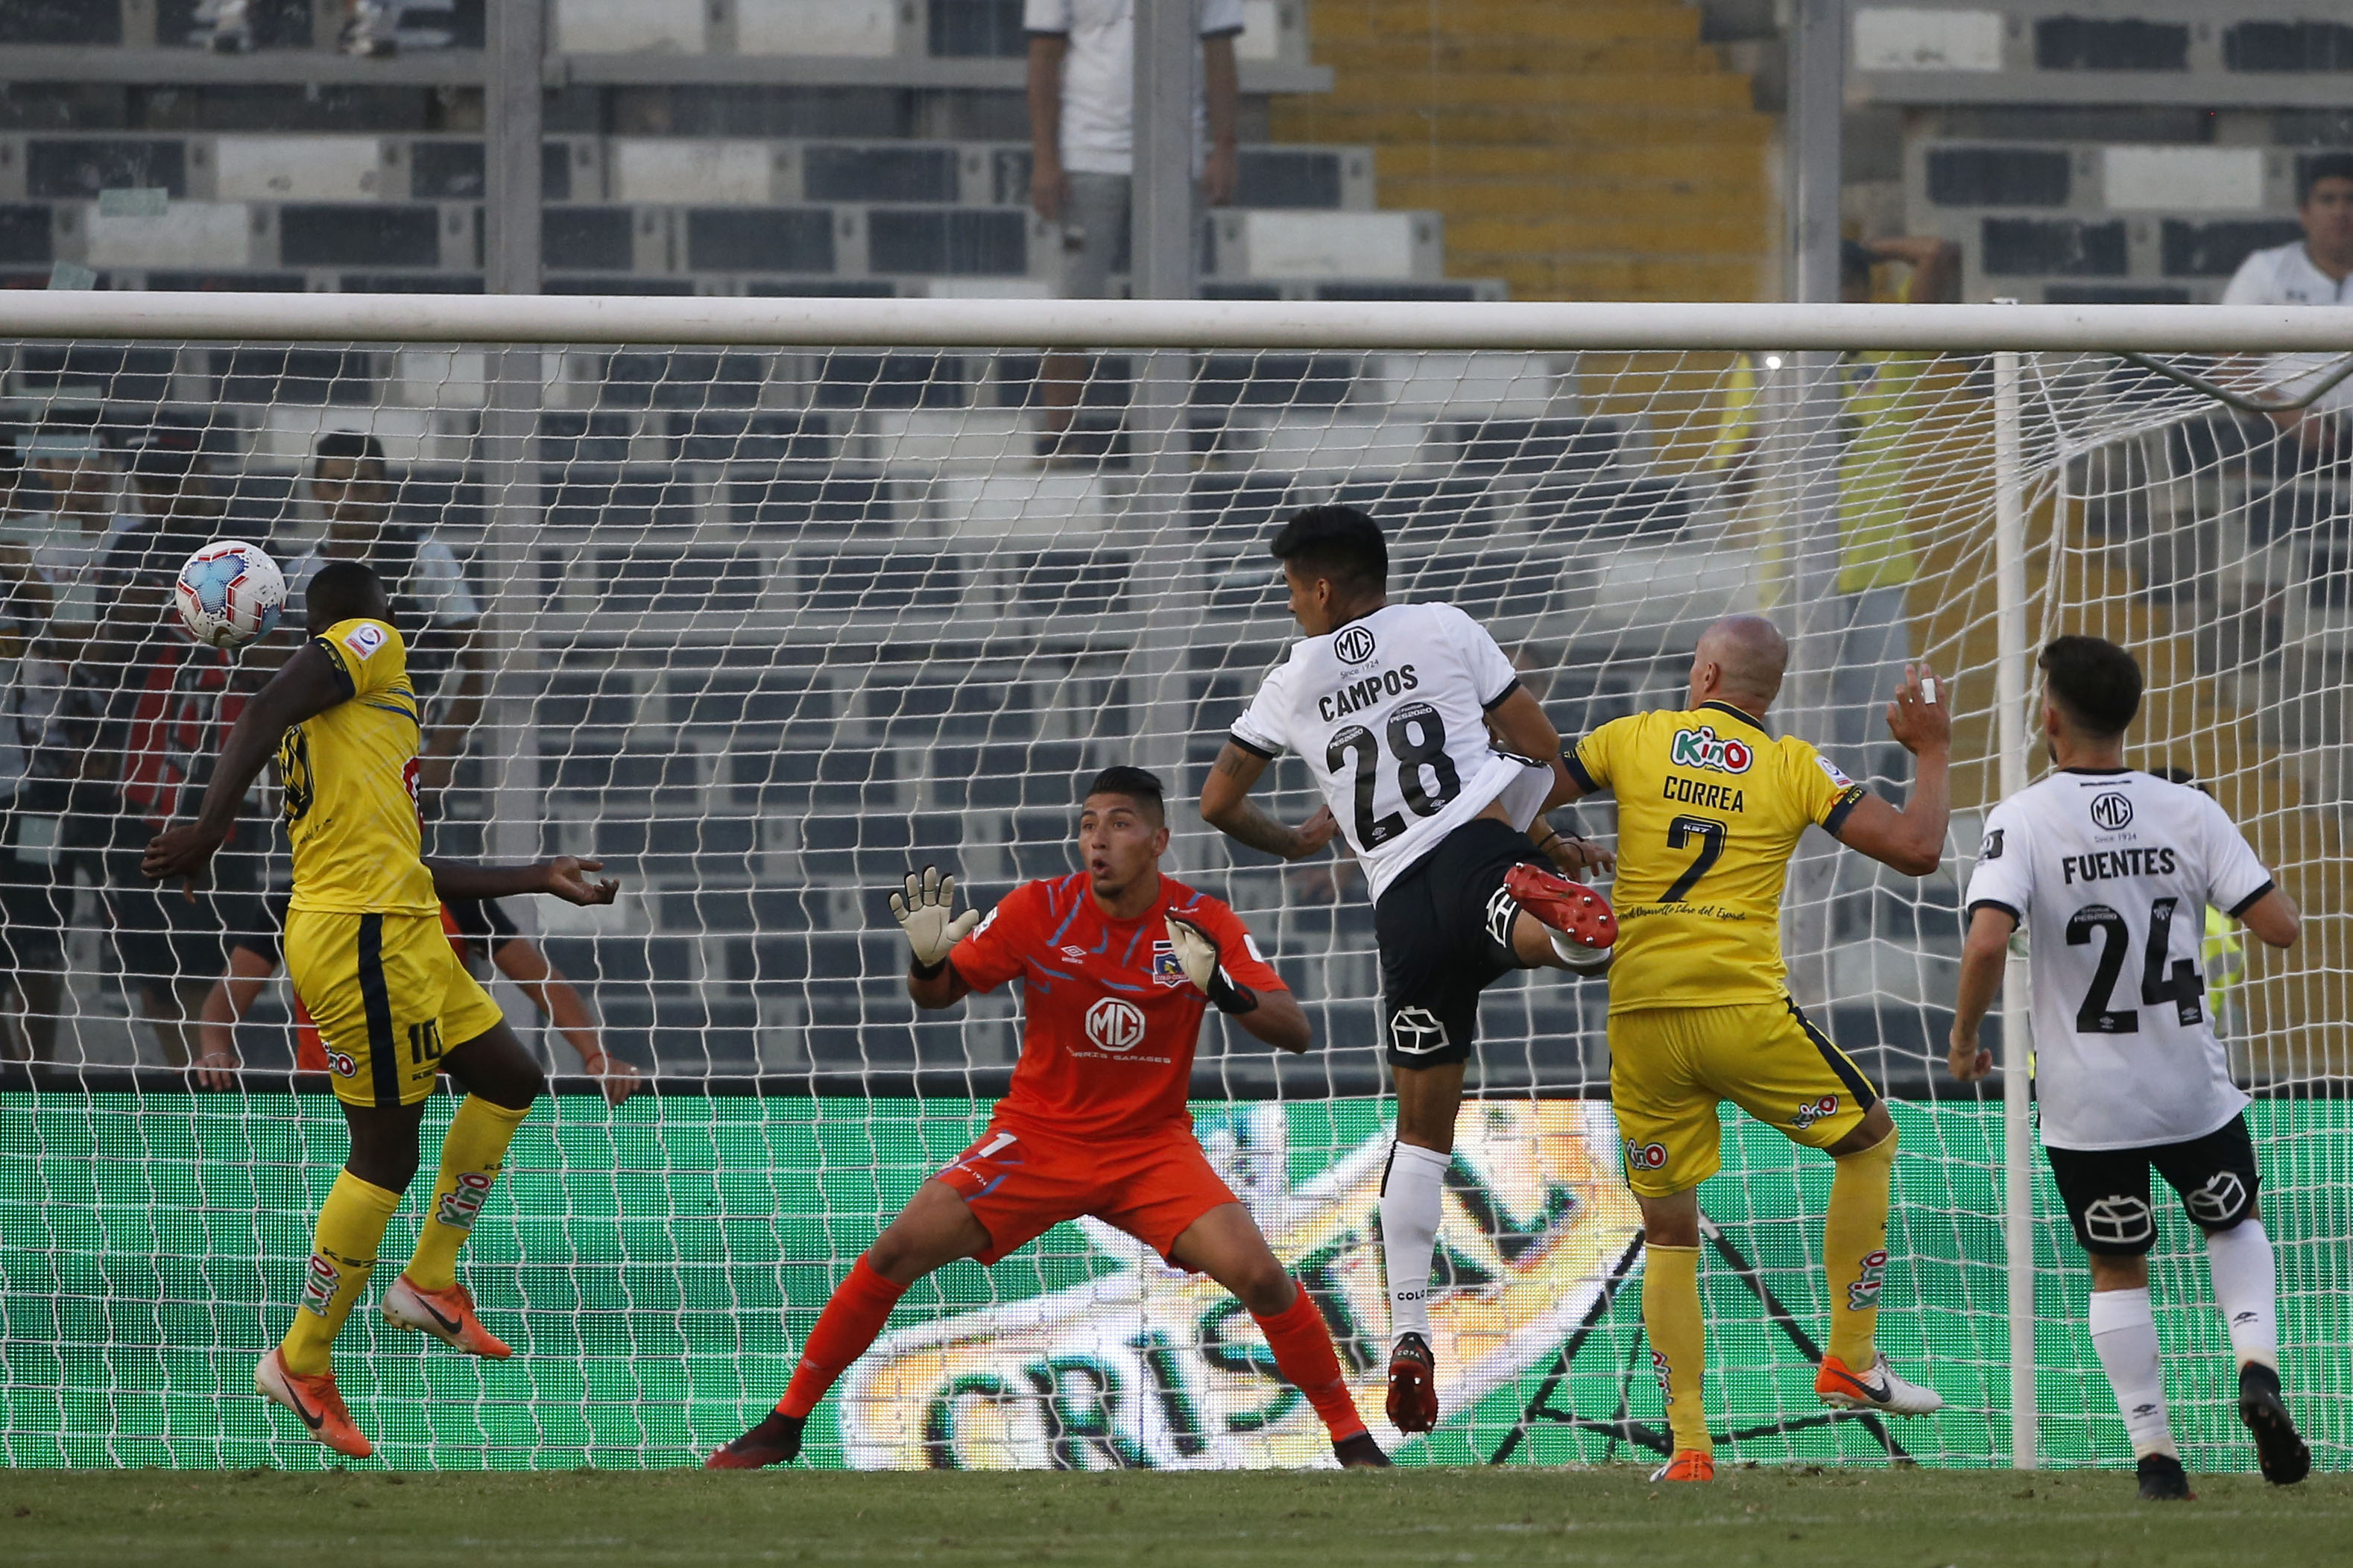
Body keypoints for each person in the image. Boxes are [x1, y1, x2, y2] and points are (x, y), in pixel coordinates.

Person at [708, 766, 1391, 1470]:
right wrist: (923, 958)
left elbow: (1295, 1030)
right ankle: (782, 1426)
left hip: (1148, 1150)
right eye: (1089, 823)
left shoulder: (1203, 923)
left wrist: (1222, 989)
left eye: (1119, 824)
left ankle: (1351, 1440)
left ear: (1158, 840)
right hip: (1038, 1138)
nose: (1097, 839)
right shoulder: (1039, 908)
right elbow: (937, 994)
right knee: (893, 1252)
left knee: (1261, 1277)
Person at [142, 559, 619, 1461]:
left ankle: (431, 1280)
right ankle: (302, 1357)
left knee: (510, 1077)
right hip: (360, 940)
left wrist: (536, 874)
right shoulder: (373, 644)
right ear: (373, 616)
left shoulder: (352, 724)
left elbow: (410, 865)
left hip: (401, 928)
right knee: (385, 1152)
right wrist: (209, 828)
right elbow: (256, 709)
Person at [1196, 505, 1617, 1436]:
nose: (1291, 606)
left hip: (1397, 909)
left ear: (1320, 587)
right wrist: (1542, 829)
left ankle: (1413, 1332)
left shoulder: (1291, 681)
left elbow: (1218, 799)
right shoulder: (1444, 626)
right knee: (1530, 930)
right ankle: (1573, 933)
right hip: (1475, 854)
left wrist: (1298, 838)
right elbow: (1539, 744)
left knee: (1420, 1134)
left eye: (1290, 590)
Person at [1553, 614, 1955, 1481]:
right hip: (1743, 1017)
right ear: (1766, 692)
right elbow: (1920, 848)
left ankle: (1689, 1446)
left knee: (1669, 1230)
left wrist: (1547, 851)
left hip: (1641, 1019)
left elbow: (1514, 794)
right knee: (1870, 1138)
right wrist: (1930, 749)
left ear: (1703, 672)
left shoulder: (1631, 737)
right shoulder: (1793, 765)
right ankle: (1849, 1354)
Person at [1950, 636, 2309, 1501]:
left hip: (2086, 1099)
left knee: (2116, 1267)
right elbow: (2283, 927)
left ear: (2048, 712)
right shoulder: (2187, 808)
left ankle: (2156, 1459)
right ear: (2128, 713)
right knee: (2231, 1224)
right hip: (2188, 1082)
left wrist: (1963, 1041)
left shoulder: (2022, 817)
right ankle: (2253, 1361)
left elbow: (1989, 938)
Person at [1025, 0, 1242, 460]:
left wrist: (1224, 147)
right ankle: (1059, 437)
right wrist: (1045, 157)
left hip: (1175, 153)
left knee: (1178, 304)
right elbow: (1044, 54)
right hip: (1089, 154)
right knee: (1073, 300)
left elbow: (1219, 51)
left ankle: (1169, 438)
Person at [196, 889, 644, 1107]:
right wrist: (215, 1048)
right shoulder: (295, 898)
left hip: (440, 1098)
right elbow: (224, 999)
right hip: (328, 1099)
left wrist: (594, 1054)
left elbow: (541, 978)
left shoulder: (453, 894)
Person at [285, 431, 484, 803]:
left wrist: (440, 753)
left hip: (409, 761)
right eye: (336, 484)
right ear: (316, 491)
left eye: (363, 483)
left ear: (384, 490)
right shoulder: (296, 575)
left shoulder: (427, 558)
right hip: (328, 769)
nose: (350, 496)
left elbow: (478, 661)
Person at [2221, 151, 2353, 452]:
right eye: (2328, 200)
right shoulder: (2265, 270)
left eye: (2351, 199)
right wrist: (2289, 415)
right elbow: (2230, 363)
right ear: (2305, 212)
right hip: (2279, 439)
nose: (2341, 212)